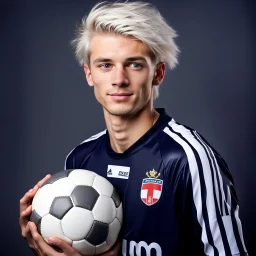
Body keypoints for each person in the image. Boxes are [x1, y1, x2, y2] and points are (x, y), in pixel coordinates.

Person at [19, 1, 248, 255]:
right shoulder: (80, 159)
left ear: (158, 73)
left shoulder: (189, 159)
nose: (119, 80)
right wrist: (42, 228)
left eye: (135, 64)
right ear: (89, 74)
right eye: (105, 65)